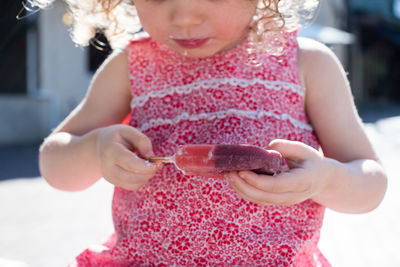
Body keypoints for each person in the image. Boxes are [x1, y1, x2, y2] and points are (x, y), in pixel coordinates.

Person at [36, 0, 387, 265]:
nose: (185, 16)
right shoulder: (130, 67)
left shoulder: (307, 63)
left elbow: (370, 181)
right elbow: (55, 161)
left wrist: (324, 180)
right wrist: (95, 149)